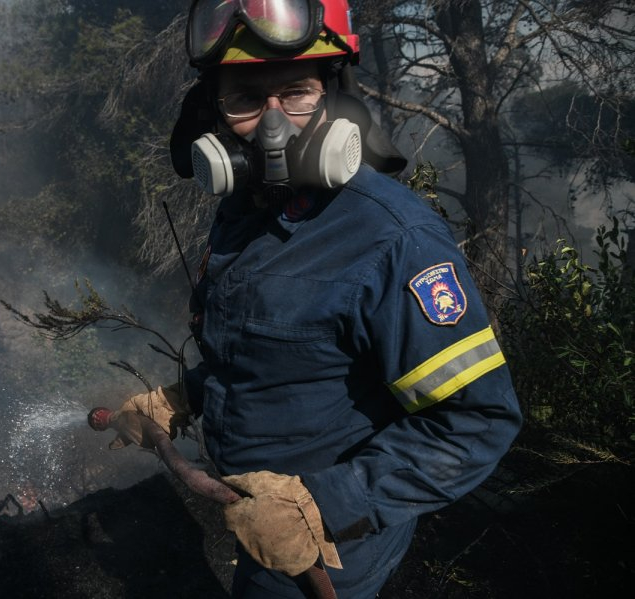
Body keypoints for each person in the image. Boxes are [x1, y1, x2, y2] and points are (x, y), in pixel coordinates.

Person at [111, 1, 523, 597]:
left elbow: (478, 420)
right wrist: (183, 397)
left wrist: (319, 507)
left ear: (334, 97)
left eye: (297, 92)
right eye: (247, 99)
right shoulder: (244, 215)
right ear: (214, 116)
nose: (275, 126)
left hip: (327, 557)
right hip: (252, 525)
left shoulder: (393, 241)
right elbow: (279, 357)